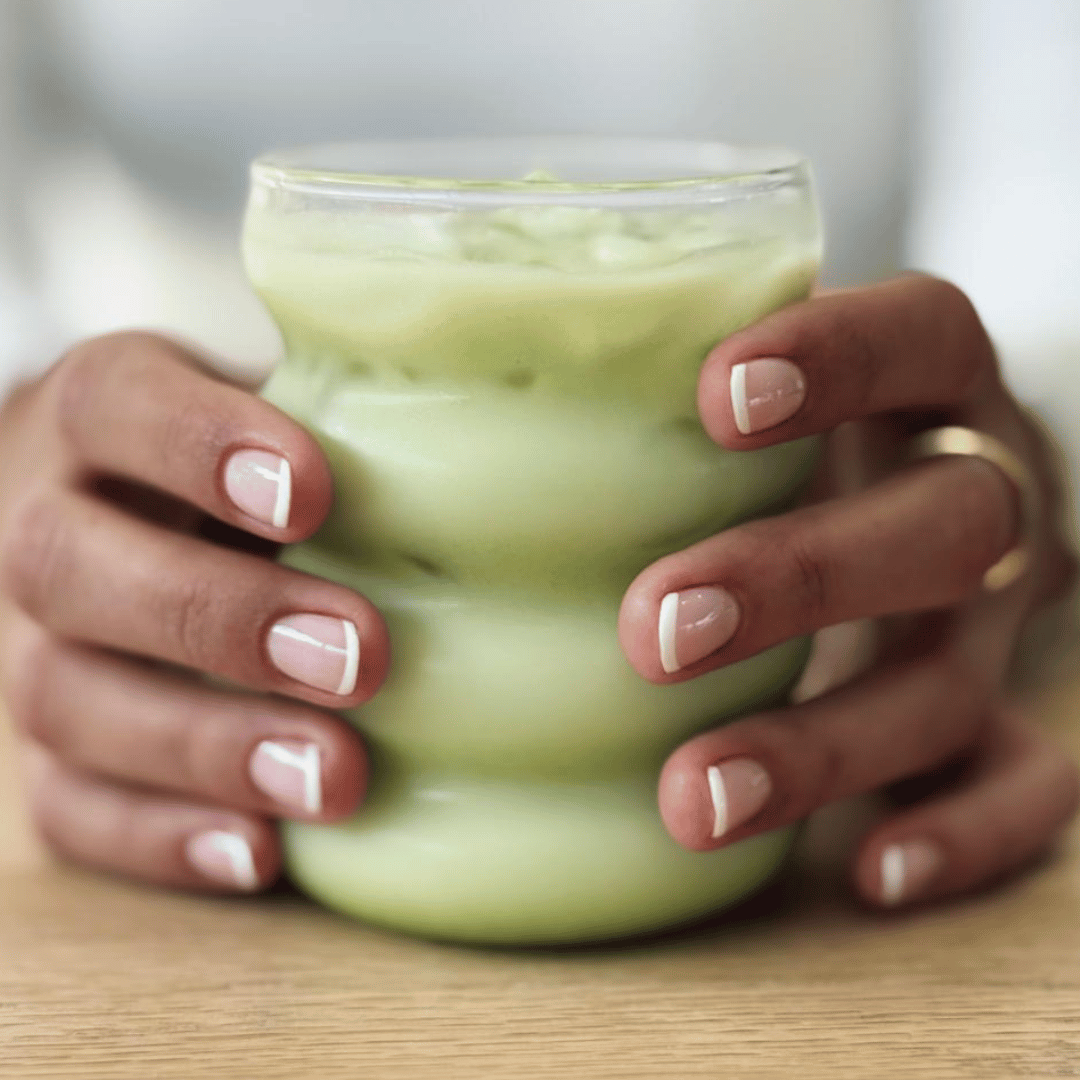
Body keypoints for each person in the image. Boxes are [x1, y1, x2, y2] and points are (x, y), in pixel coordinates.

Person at [0, 0, 1077, 909]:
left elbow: (1046, 168)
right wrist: (31, 450)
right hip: (203, 518)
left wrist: (1012, 461)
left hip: (817, 499)